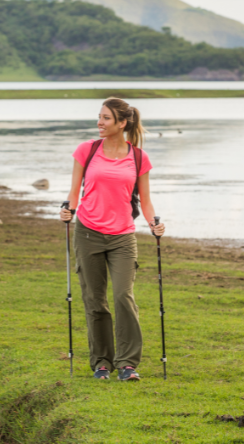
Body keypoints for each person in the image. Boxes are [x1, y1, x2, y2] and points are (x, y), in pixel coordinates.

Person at [59, 97, 166, 381]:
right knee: (95, 300)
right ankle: (102, 363)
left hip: (122, 237)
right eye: (100, 116)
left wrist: (154, 223)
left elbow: (145, 201)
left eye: (106, 118)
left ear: (122, 123)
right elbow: (74, 192)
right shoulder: (87, 150)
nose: (100, 122)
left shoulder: (139, 158)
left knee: (123, 297)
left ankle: (128, 364)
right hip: (88, 233)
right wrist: (67, 210)